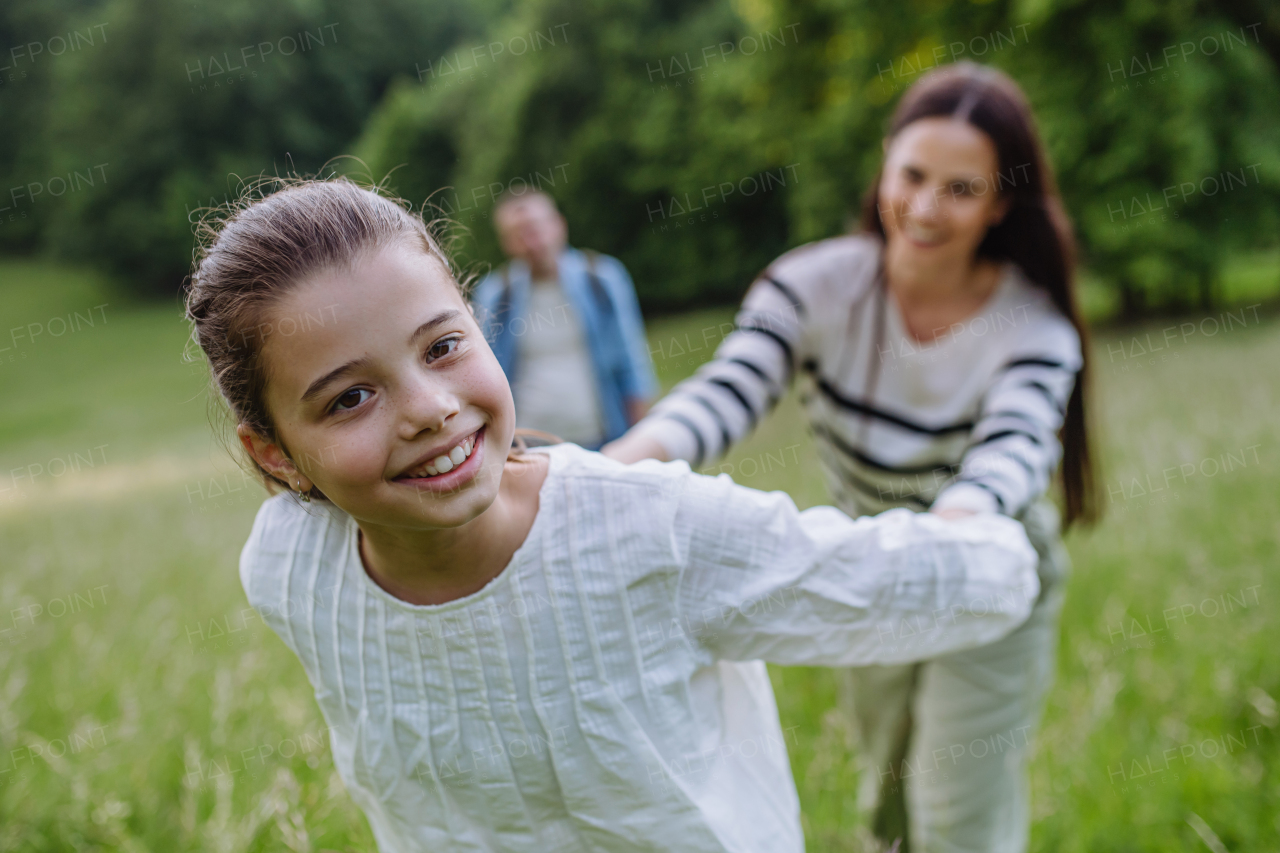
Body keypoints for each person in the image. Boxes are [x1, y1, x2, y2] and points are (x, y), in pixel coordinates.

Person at [185, 177, 1042, 853]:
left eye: (443, 346)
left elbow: (876, 582)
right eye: (351, 397)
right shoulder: (290, 570)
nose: (429, 409)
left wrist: (990, 536)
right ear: (274, 453)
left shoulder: (647, 529)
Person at [603, 62, 1096, 853]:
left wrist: (943, 539)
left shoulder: (1032, 328)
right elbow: (724, 393)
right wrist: (607, 470)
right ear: (886, 162)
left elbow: (1010, 456)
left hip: (982, 561)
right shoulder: (815, 285)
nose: (926, 207)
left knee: (952, 807)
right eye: (913, 175)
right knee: (888, 803)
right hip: (868, 558)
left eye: (961, 190)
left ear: (1001, 202)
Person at [469, 189, 657, 449]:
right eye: (519, 234)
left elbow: (631, 361)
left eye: (535, 228)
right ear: (507, 243)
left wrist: (640, 441)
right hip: (529, 446)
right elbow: (485, 376)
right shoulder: (495, 294)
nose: (532, 241)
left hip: (603, 439)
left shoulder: (602, 277)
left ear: (559, 225)